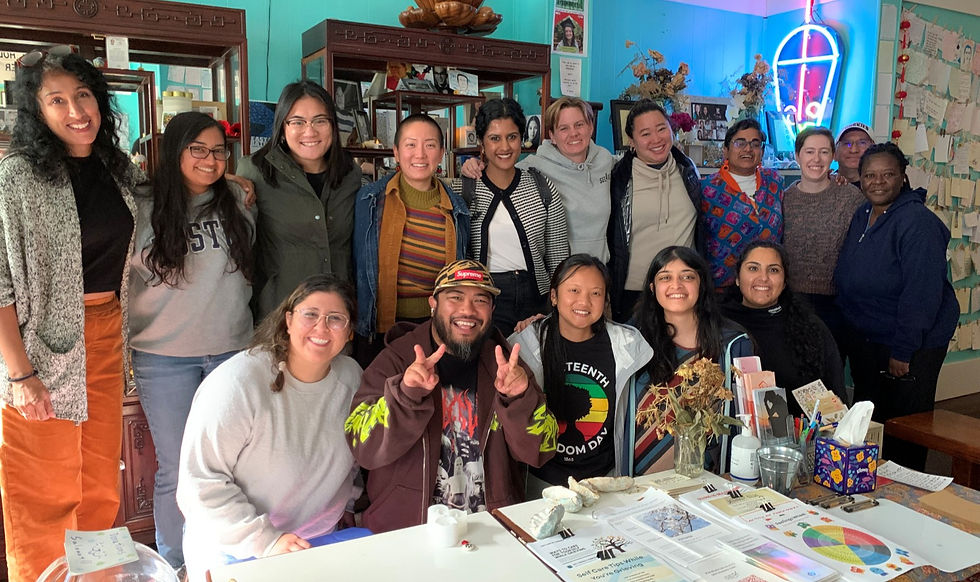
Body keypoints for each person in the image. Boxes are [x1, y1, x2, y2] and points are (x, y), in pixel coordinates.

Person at [0, 46, 142, 581]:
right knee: (43, 492)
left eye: (83, 95)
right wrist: (21, 374)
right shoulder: (15, 177)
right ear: (36, 110)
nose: (76, 110)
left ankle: (98, 578)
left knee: (100, 485)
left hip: (105, 337)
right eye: (56, 100)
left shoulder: (115, 168)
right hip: (39, 348)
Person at [128, 111, 256, 570]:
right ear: (174, 151)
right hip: (163, 357)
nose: (210, 159)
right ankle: (176, 564)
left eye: (219, 151)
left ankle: (225, 557)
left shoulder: (238, 201)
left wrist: (237, 181)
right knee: (177, 468)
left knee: (232, 464)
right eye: (197, 149)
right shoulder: (140, 204)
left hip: (232, 351)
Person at [177, 275, 367, 582]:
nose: (321, 327)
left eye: (335, 319)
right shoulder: (238, 382)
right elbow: (198, 483)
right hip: (234, 546)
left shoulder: (352, 378)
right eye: (310, 315)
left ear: (349, 332)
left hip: (314, 542)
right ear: (288, 320)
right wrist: (267, 541)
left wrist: (346, 503)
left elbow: (355, 459)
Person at [345, 260, 558, 533]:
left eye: (480, 300)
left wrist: (519, 399)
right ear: (432, 303)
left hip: (491, 532)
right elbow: (362, 446)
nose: (467, 310)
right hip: (407, 533)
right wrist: (406, 396)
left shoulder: (507, 365)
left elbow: (543, 449)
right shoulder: (396, 360)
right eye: (455, 297)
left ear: (492, 310)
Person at [835, 142, 958, 471]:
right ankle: (872, 480)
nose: (877, 181)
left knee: (905, 427)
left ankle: (909, 488)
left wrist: (903, 350)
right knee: (872, 420)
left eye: (887, 174)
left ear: (903, 178)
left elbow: (922, 293)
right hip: (870, 337)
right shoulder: (864, 212)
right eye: (870, 175)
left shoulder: (917, 222)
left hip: (907, 344)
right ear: (859, 179)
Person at [509, 255, 652, 494]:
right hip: (541, 486)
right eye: (574, 290)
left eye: (595, 293)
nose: (584, 301)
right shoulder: (524, 346)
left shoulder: (628, 345)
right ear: (554, 296)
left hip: (606, 483)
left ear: (606, 299)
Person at [237, 81, 361, 322]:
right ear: (282, 126)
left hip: (337, 315)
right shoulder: (254, 171)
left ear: (333, 126)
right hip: (278, 315)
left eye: (320, 120)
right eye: (297, 122)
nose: (310, 131)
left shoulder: (350, 175)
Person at [353, 113, 469, 362]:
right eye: (410, 145)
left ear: (441, 153)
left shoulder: (457, 208)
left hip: (438, 327)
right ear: (395, 151)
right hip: (379, 328)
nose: (420, 154)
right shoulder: (369, 200)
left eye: (430, 145)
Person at [454, 98, 569, 335]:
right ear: (482, 143)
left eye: (512, 137)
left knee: (534, 368)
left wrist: (557, 305)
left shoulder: (541, 187)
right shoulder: (464, 190)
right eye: (495, 138)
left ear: (521, 138)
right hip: (484, 297)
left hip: (537, 296)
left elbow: (559, 257)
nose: (505, 147)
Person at [632, 246, 752, 475]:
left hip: (707, 481)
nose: (676, 285)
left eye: (687, 277)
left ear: (702, 285)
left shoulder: (734, 344)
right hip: (639, 482)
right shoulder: (632, 338)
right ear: (652, 287)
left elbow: (746, 417)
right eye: (665, 277)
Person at [462, 97, 615, 263]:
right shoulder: (534, 168)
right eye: (564, 128)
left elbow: (634, 163)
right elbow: (504, 167)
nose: (573, 133)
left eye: (579, 125)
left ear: (591, 127)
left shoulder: (605, 159)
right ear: (552, 136)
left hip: (600, 269)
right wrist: (475, 164)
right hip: (564, 270)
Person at [721, 241, 844, 415]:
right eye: (753, 268)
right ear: (737, 278)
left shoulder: (809, 327)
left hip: (797, 437)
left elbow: (835, 399)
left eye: (773, 270)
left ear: (785, 281)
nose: (763, 278)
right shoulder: (717, 323)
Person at [608, 99, 703, 322]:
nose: (656, 139)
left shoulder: (687, 170)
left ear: (672, 130)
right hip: (635, 292)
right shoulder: (619, 179)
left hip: (683, 289)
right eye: (645, 133)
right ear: (631, 141)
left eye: (662, 129)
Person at [781, 127, 863, 358]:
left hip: (837, 304)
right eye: (809, 152)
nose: (816, 159)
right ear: (797, 156)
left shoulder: (851, 198)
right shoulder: (784, 199)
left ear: (833, 156)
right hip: (792, 301)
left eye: (824, 152)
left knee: (831, 373)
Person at [700, 118, 784, 292]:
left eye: (755, 144)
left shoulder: (775, 182)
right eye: (740, 143)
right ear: (726, 150)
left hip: (767, 285)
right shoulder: (706, 189)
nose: (748, 149)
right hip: (722, 290)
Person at [834, 122, 873, 186]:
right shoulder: (822, 185)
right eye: (847, 143)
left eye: (862, 143)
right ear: (834, 154)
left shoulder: (882, 188)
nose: (853, 150)